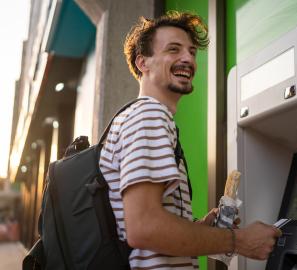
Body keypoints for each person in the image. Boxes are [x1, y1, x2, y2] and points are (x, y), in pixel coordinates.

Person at [99, 11, 282, 269]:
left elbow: (145, 235)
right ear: (143, 63)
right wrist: (238, 241)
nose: (188, 59)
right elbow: (143, 228)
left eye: (192, 52)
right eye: (173, 50)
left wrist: (198, 229)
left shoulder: (142, 118)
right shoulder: (149, 115)